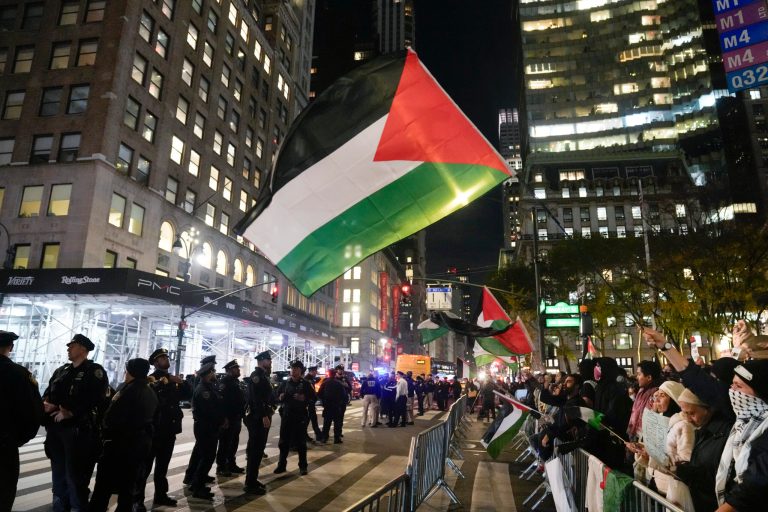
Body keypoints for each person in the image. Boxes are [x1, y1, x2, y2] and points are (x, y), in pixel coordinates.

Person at [43, 334, 109, 511]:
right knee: (58, 474)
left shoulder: (94, 371)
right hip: (56, 429)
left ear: (83, 349)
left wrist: (71, 412)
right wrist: (47, 405)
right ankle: (60, 506)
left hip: (79, 431)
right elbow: (49, 392)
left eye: (72, 346)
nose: (68, 349)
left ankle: (77, 507)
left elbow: (97, 399)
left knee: (75, 477)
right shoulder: (62, 370)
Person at [90, 359, 158, 511]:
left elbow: (113, 418)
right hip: (139, 445)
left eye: (127, 370)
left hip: (119, 447)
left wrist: (104, 434)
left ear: (132, 372)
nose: (125, 373)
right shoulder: (149, 390)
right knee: (128, 489)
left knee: (103, 488)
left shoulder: (128, 391)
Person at [134, 347, 191, 509]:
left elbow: (186, 395)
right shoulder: (151, 379)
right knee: (144, 468)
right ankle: (138, 500)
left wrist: (182, 382)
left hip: (169, 430)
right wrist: (166, 382)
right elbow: (153, 401)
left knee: (162, 467)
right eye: (163, 358)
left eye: (166, 357)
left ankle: (161, 495)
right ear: (156, 362)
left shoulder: (172, 379)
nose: (167, 359)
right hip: (154, 430)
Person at [627, 381, 694, 511]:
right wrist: (642, 450)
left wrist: (653, 456)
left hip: (672, 490)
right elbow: (654, 449)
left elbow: (685, 461)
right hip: (655, 482)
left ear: (674, 399)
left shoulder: (683, 425)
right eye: (655, 395)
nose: (656, 399)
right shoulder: (659, 420)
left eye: (662, 395)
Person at [714, 360, 768, 512]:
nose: (732, 390)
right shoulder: (742, 423)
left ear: (760, 391)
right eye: (732, 384)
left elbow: (759, 479)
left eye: (739, 386)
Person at [0, 331, 43, 511]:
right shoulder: (19, 374)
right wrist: (15, 440)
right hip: (3, 446)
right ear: (11, 347)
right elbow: (33, 414)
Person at [674, 388, 732, 512]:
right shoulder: (703, 429)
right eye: (684, 413)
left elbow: (718, 477)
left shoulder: (724, 434)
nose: (688, 419)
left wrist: (685, 472)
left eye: (692, 413)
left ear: (708, 409)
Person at [585, 357, 632, 470]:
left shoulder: (615, 388)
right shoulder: (601, 386)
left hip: (611, 439)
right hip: (600, 436)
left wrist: (594, 420)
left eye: (599, 366)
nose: (596, 369)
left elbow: (613, 414)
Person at [187, 362, 225, 500]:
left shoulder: (208, 387)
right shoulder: (203, 390)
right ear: (208, 374)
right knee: (207, 457)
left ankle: (197, 484)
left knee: (206, 457)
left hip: (208, 427)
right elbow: (210, 411)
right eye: (212, 372)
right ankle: (198, 488)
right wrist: (221, 421)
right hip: (206, 427)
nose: (214, 373)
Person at [243, 350, 275, 495]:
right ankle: (250, 483)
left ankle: (252, 479)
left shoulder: (263, 376)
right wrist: (264, 415)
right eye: (268, 360)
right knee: (256, 450)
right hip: (257, 417)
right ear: (262, 361)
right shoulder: (257, 376)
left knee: (257, 450)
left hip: (260, 415)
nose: (270, 362)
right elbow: (256, 398)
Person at [184, 355, 217, 486]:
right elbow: (205, 405)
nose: (214, 369)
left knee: (201, 452)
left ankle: (197, 476)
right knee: (202, 453)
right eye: (212, 367)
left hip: (206, 424)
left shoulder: (208, 382)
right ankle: (193, 478)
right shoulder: (201, 382)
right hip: (204, 424)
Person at [275, 360, 312, 475]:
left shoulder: (305, 384)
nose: (293, 371)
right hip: (287, 415)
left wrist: (303, 398)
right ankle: (281, 465)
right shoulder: (285, 383)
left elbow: (313, 398)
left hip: (300, 416)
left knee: (301, 442)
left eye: (296, 369)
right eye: (292, 368)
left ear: (301, 371)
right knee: (283, 442)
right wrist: (280, 397)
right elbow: (276, 395)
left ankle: (303, 466)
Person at [216, 360, 246, 476]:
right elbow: (222, 402)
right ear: (229, 370)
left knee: (233, 442)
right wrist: (224, 418)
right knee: (225, 443)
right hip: (228, 418)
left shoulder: (236, 381)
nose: (238, 370)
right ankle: (221, 466)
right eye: (235, 368)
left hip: (236, 417)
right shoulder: (224, 382)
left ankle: (231, 464)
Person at [628, 360, 662, 439]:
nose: (637, 377)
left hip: (647, 436)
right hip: (636, 432)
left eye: (639, 374)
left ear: (649, 377)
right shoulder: (642, 390)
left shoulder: (657, 393)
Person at [318, 367, 347, 442]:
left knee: (327, 422)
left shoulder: (325, 383)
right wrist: (340, 402)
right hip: (336, 406)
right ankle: (337, 438)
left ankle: (325, 437)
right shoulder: (339, 383)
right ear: (335, 374)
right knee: (337, 423)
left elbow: (319, 394)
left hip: (327, 405)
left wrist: (323, 401)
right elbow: (343, 395)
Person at [305, 366, 323, 441]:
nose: (316, 373)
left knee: (311, 420)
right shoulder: (307, 380)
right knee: (310, 420)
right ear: (312, 371)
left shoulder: (311, 379)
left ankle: (317, 435)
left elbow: (317, 380)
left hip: (311, 403)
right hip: (308, 403)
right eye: (315, 371)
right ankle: (318, 435)